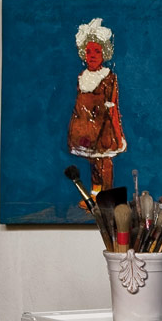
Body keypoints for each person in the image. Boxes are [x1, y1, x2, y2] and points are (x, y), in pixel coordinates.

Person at [68, 18, 125, 192]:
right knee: (93, 162)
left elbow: (113, 107)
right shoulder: (82, 77)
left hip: (104, 130)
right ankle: (95, 193)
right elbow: (80, 108)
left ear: (104, 53)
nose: (92, 55)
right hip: (87, 131)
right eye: (88, 51)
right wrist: (79, 132)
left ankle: (106, 195)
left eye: (97, 51)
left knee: (104, 163)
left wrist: (118, 134)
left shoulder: (109, 77)